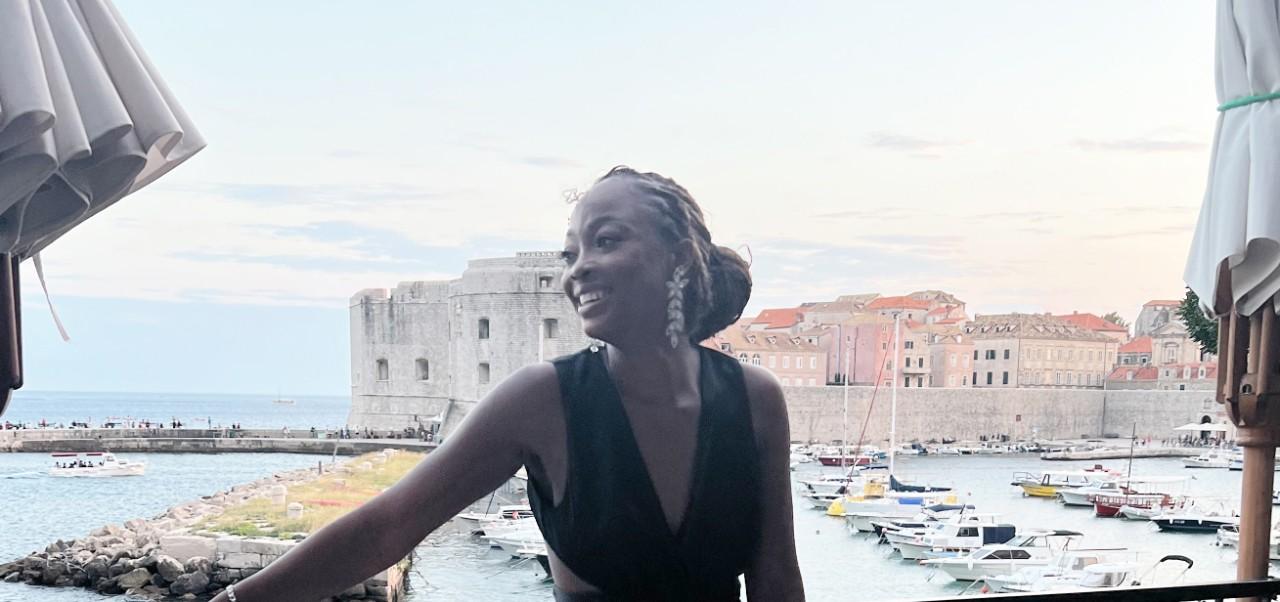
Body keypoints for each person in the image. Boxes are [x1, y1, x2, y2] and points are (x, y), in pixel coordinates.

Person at [210, 167, 803, 601]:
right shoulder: (542, 400)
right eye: (571, 253)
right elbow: (388, 527)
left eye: (607, 240)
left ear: (679, 258)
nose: (578, 269)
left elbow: (776, 576)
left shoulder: (755, 400)